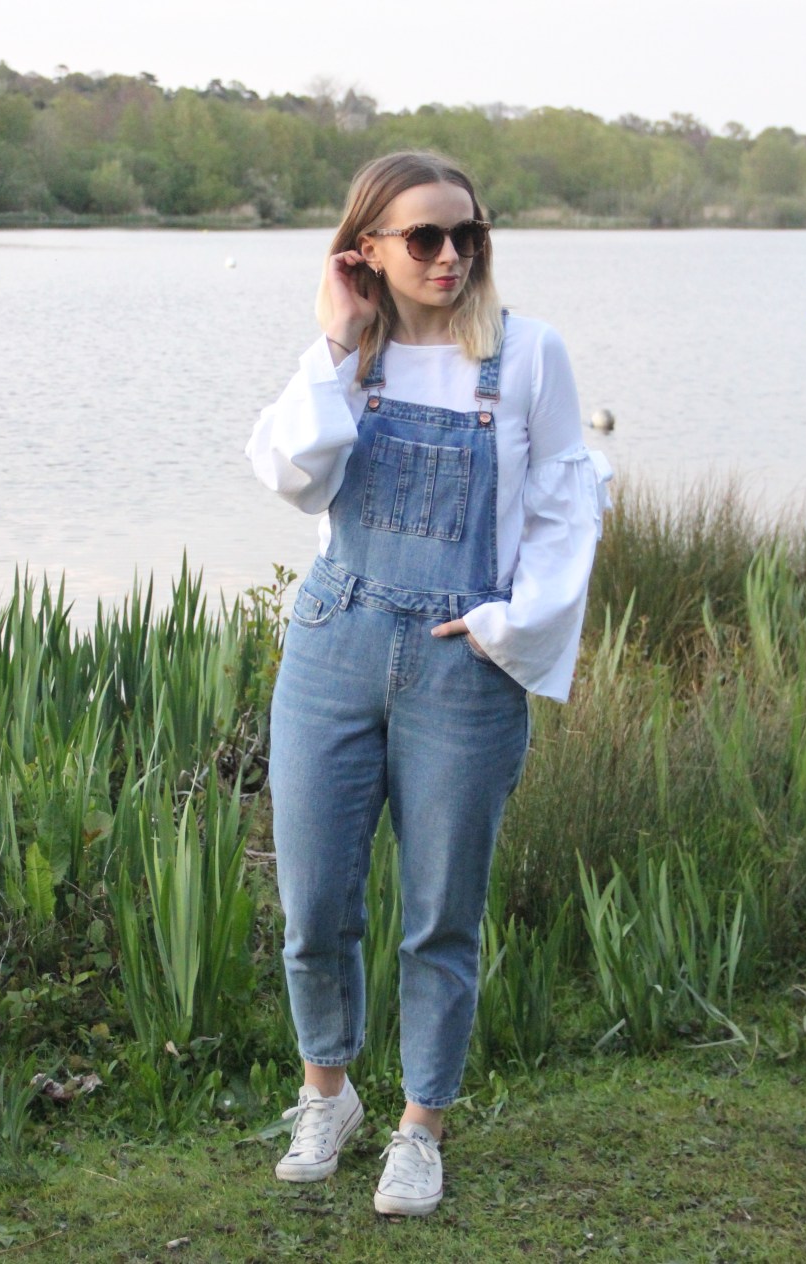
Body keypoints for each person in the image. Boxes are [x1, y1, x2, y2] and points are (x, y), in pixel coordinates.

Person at [246, 150, 609, 1217]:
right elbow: (287, 472)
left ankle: (421, 1123)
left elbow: (564, 512)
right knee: (313, 902)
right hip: (332, 639)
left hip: (461, 660)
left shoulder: (530, 355)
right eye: (423, 238)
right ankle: (327, 1093)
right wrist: (330, 336)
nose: (451, 255)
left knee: (441, 911)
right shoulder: (345, 361)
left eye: (468, 235)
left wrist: (506, 624)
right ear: (367, 252)